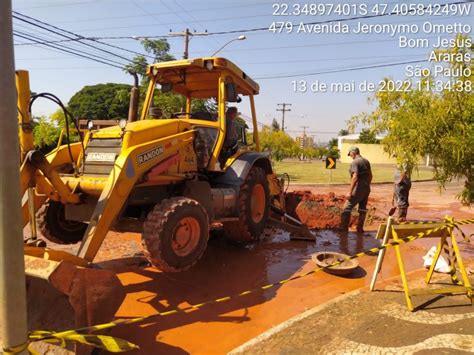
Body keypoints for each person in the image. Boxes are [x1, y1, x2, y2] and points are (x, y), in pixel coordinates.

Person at [340, 146, 373, 233]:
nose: (350, 156)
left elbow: (355, 177)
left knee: (346, 208)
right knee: (362, 209)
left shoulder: (355, 162)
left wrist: (350, 192)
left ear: (353, 153)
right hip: (366, 188)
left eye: (350, 154)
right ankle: (360, 229)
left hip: (358, 189)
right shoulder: (366, 161)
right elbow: (370, 175)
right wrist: (367, 185)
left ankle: (343, 229)